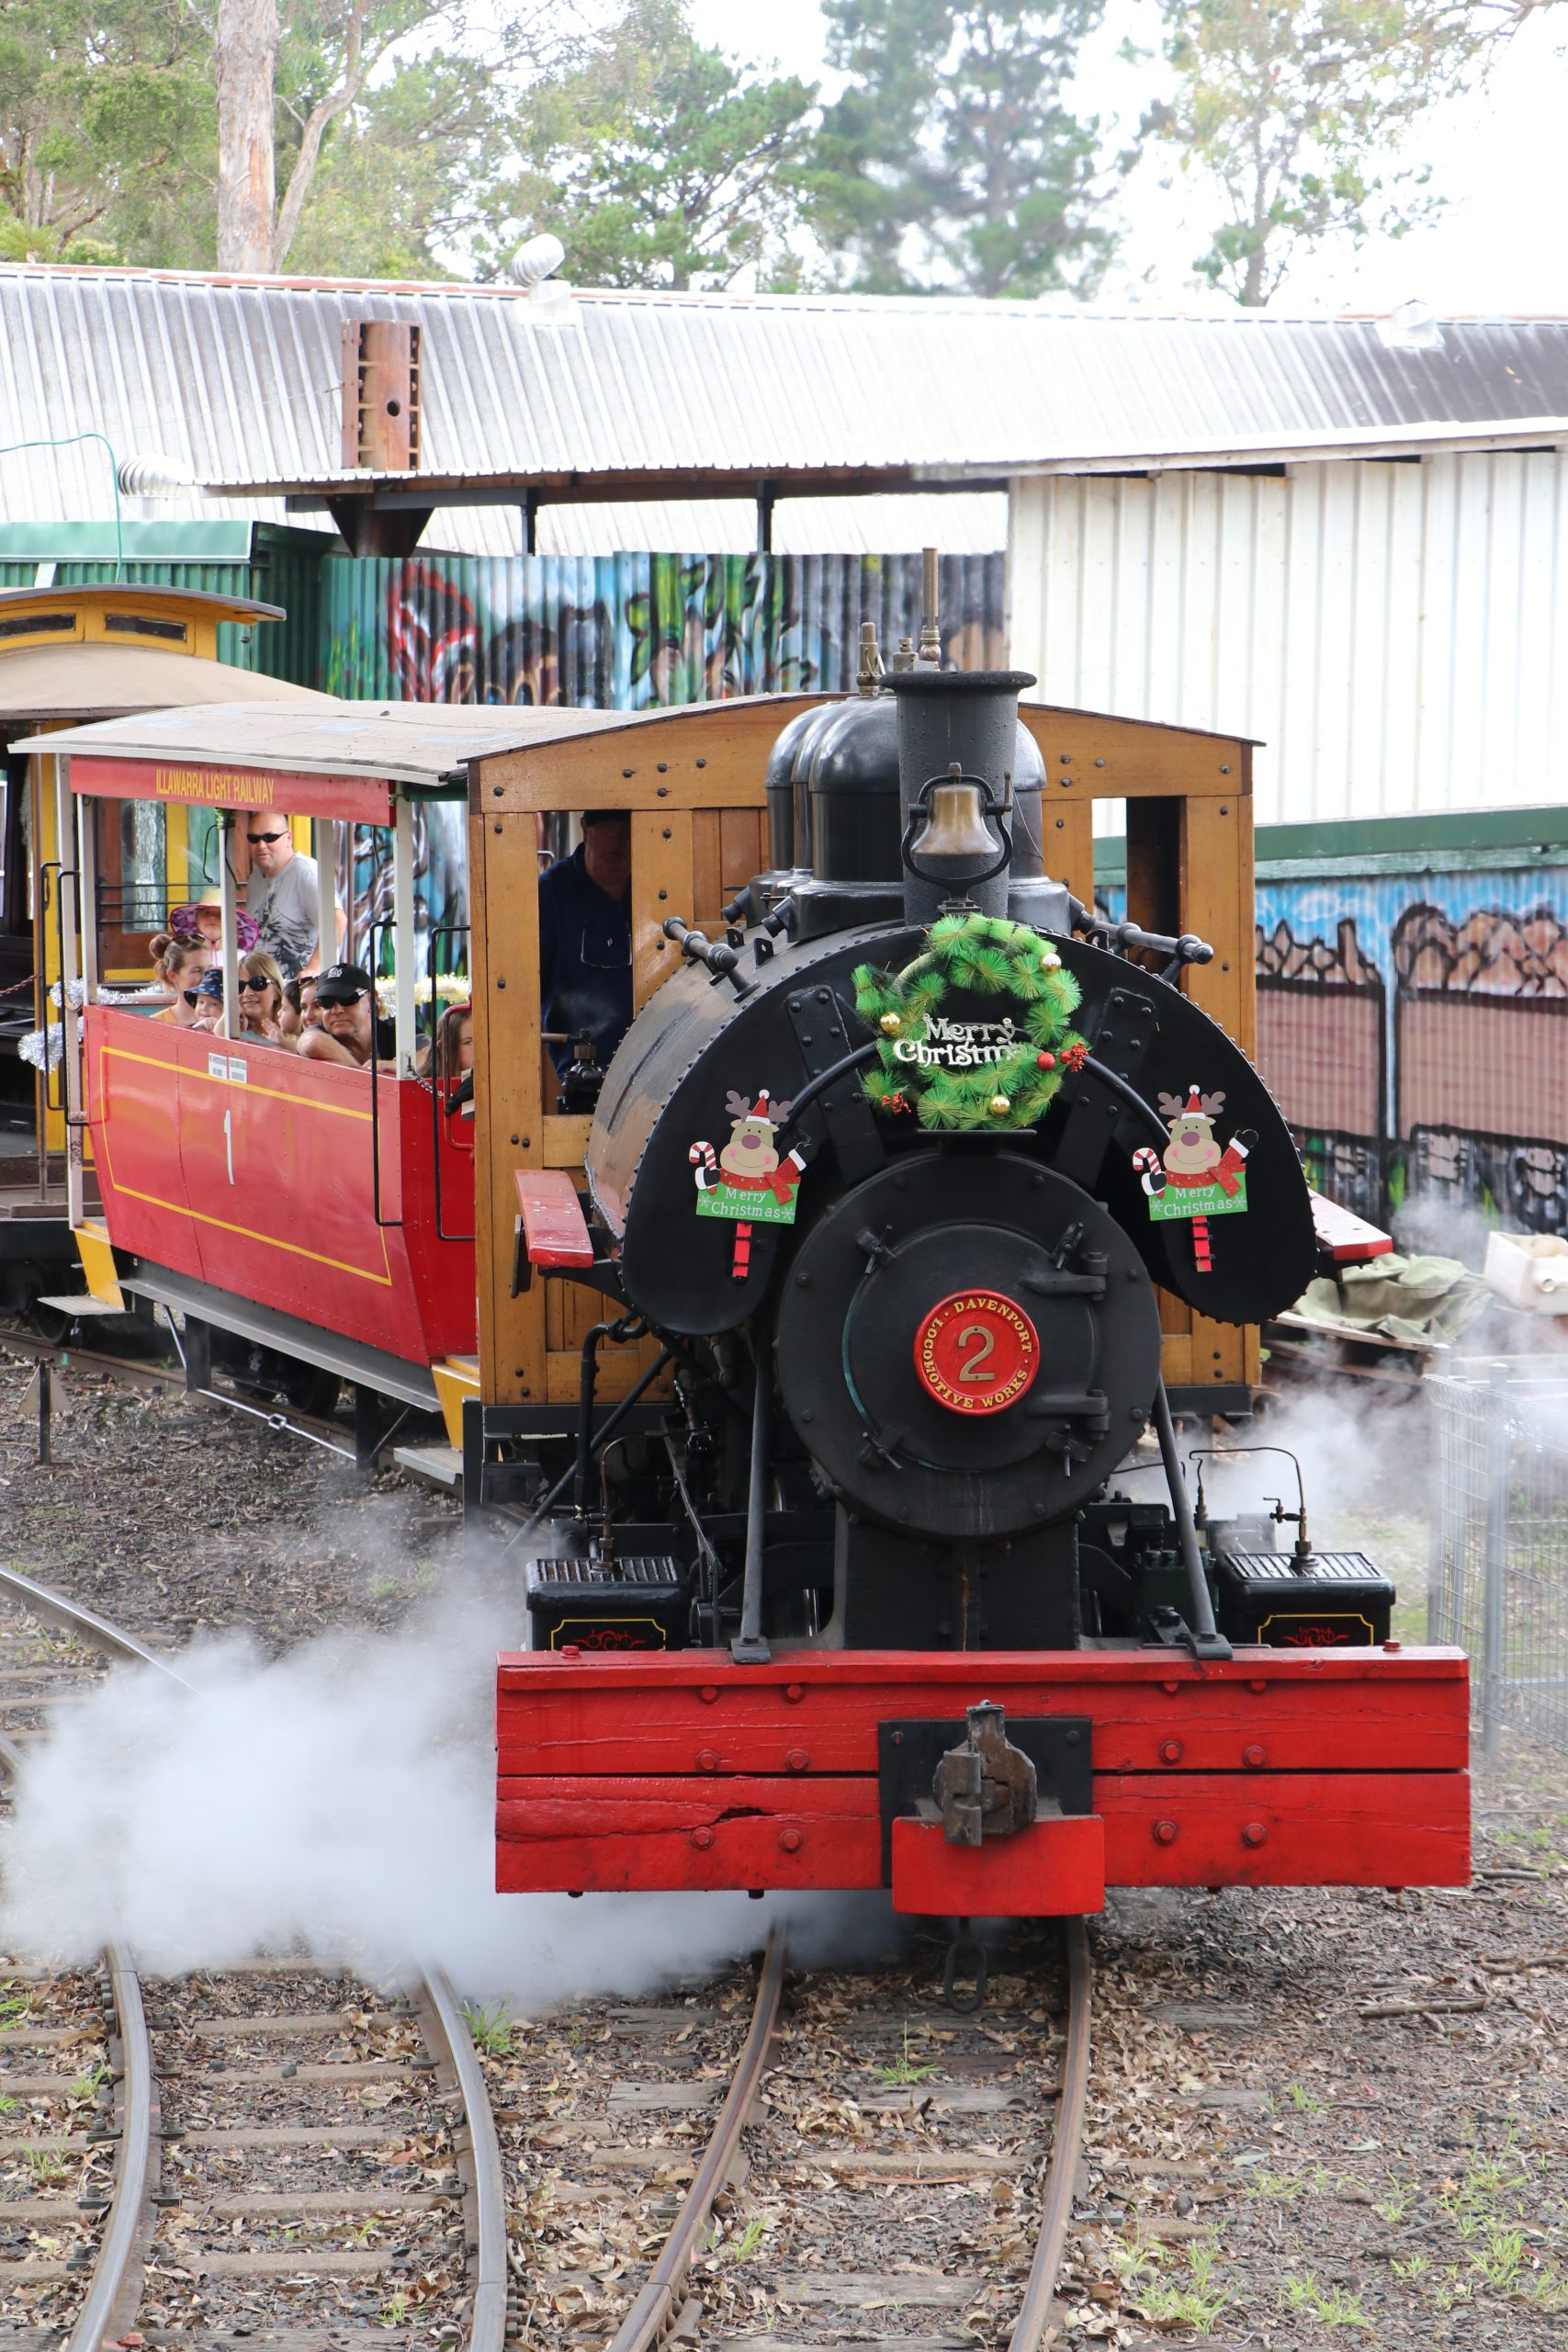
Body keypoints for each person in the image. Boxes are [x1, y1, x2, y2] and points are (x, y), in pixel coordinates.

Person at [537, 809, 632, 1076]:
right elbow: (520, 986)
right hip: (579, 1070)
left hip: (653, 1064)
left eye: (626, 828)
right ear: (584, 828)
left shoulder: (658, 889)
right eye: (607, 827)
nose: (617, 839)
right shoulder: (549, 894)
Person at [243, 812, 344, 980]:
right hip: (264, 989)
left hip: (301, 993)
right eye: (254, 838)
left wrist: (314, 968)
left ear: (289, 838)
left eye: (270, 837)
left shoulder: (305, 871)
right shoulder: (256, 878)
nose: (261, 845)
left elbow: (337, 920)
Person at [296, 963, 397, 1069]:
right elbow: (312, 1042)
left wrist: (390, 1066)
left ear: (372, 1000)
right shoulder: (321, 1034)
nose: (337, 1010)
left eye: (348, 999)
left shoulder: (396, 1033)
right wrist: (363, 1075)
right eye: (326, 1002)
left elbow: (416, 1058)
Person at [149, 934, 212, 1027]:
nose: (207, 977)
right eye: (197, 970)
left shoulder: (223, 1020)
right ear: (173, 976)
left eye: (210, 969)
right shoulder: (156, 1025)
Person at [236, 951, 291, 1049]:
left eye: (258, 983)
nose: (247, 993)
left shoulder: (296, 1031)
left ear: (276, 991)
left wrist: (285, 1043)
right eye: (240, 985)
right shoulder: (230, 1031)